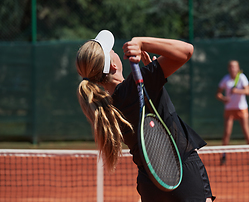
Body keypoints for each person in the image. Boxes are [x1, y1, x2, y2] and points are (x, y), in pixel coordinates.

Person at [76, 30, 215, 202]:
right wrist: (142, 42)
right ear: (113, 65)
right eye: (112, 51)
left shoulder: (107, 107)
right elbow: (186, 51)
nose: (115, 52)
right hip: (182, 173)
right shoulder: (137, 85)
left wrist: (154, 78)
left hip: (150, 184)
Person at [215, 60, 249, 165]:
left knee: (247, 132)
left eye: (235, 67)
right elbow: (218, 94)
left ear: (238, 68)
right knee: (227, 133)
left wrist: (237, 91)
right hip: (229, 109)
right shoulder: (225, 79)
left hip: (241, 108)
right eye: (231, 67)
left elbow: (248, 91)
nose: (233, 69)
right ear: (229, 68)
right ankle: (223, 156)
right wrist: (224, 99)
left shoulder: (242, 77)